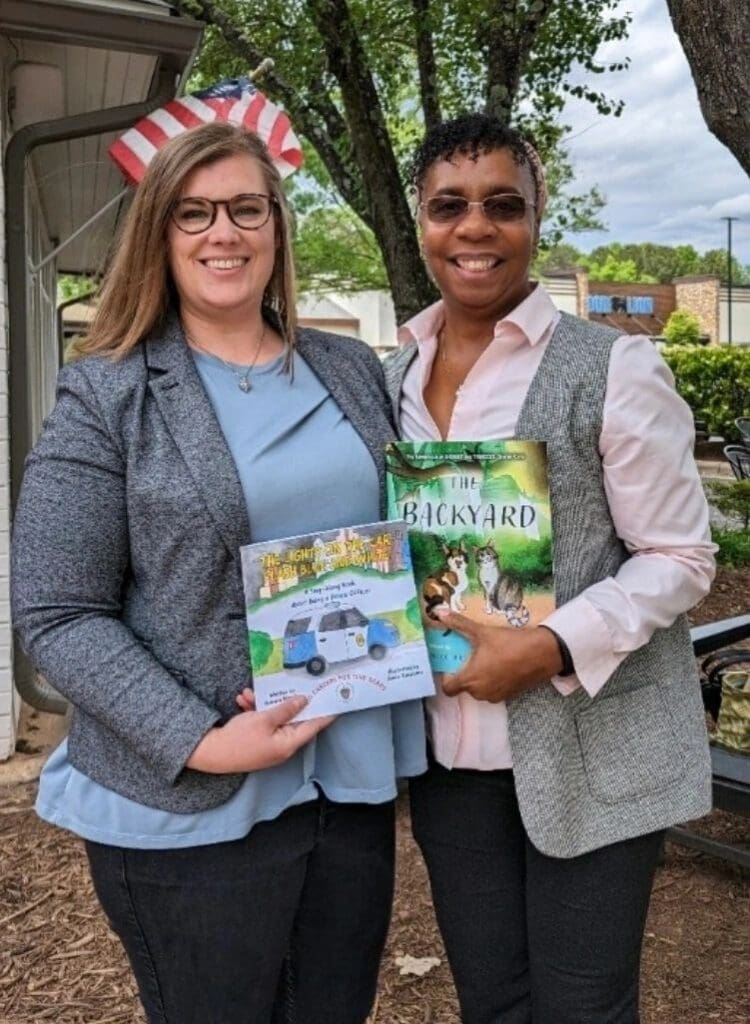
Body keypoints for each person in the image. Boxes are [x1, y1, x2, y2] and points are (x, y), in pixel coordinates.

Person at [11, 122, 427, 1024]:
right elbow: (57, 612)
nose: (222, 233)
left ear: (277, 227)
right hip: (196, 801)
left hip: (345, 777)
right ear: (158, 232)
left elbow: (406, 530)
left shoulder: (350, 368)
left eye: (246, 208)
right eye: (193, 213)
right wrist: (202, 736)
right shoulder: (109, 391)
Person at [384, 113, 715, 1024]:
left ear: (537, 216)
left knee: (583, 1007)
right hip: (451, 754)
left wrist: (553, 646)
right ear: (422, 219)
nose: (476, 227)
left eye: (504, 204)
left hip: (590, 745)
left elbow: (682, 556)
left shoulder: (613, 367)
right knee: (493, 1001)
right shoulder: (394, 373)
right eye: (450, 205)